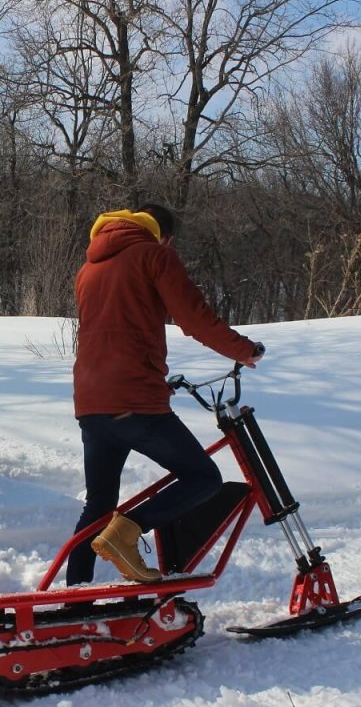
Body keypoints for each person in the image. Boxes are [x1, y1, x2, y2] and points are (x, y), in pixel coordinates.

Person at [68, 204, 264, 584]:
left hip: (92, 402)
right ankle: (127, 533)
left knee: (99, 504)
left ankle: (76, 591)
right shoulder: (154, 255)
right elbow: (194, 318)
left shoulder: (88, 268)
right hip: (134, 399)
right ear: (164, 236)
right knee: (203, 477)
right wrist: (244, 350)